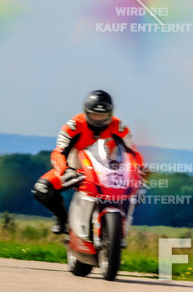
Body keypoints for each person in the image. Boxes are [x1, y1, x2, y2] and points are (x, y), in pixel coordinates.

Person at [32, 90, 142, 234]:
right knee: (42, 189)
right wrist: (66, 170)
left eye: (103, 116)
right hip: (74, 171)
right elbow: (58, 152)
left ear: (110, 114)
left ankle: (118, 229)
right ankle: (62, 219)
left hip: (107, 174)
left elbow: (133, 153)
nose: (99, 120)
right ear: (86, 112)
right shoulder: (74, 125)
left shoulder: (119, 127)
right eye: (94, 115)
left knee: (138, 193)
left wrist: (137, 172)